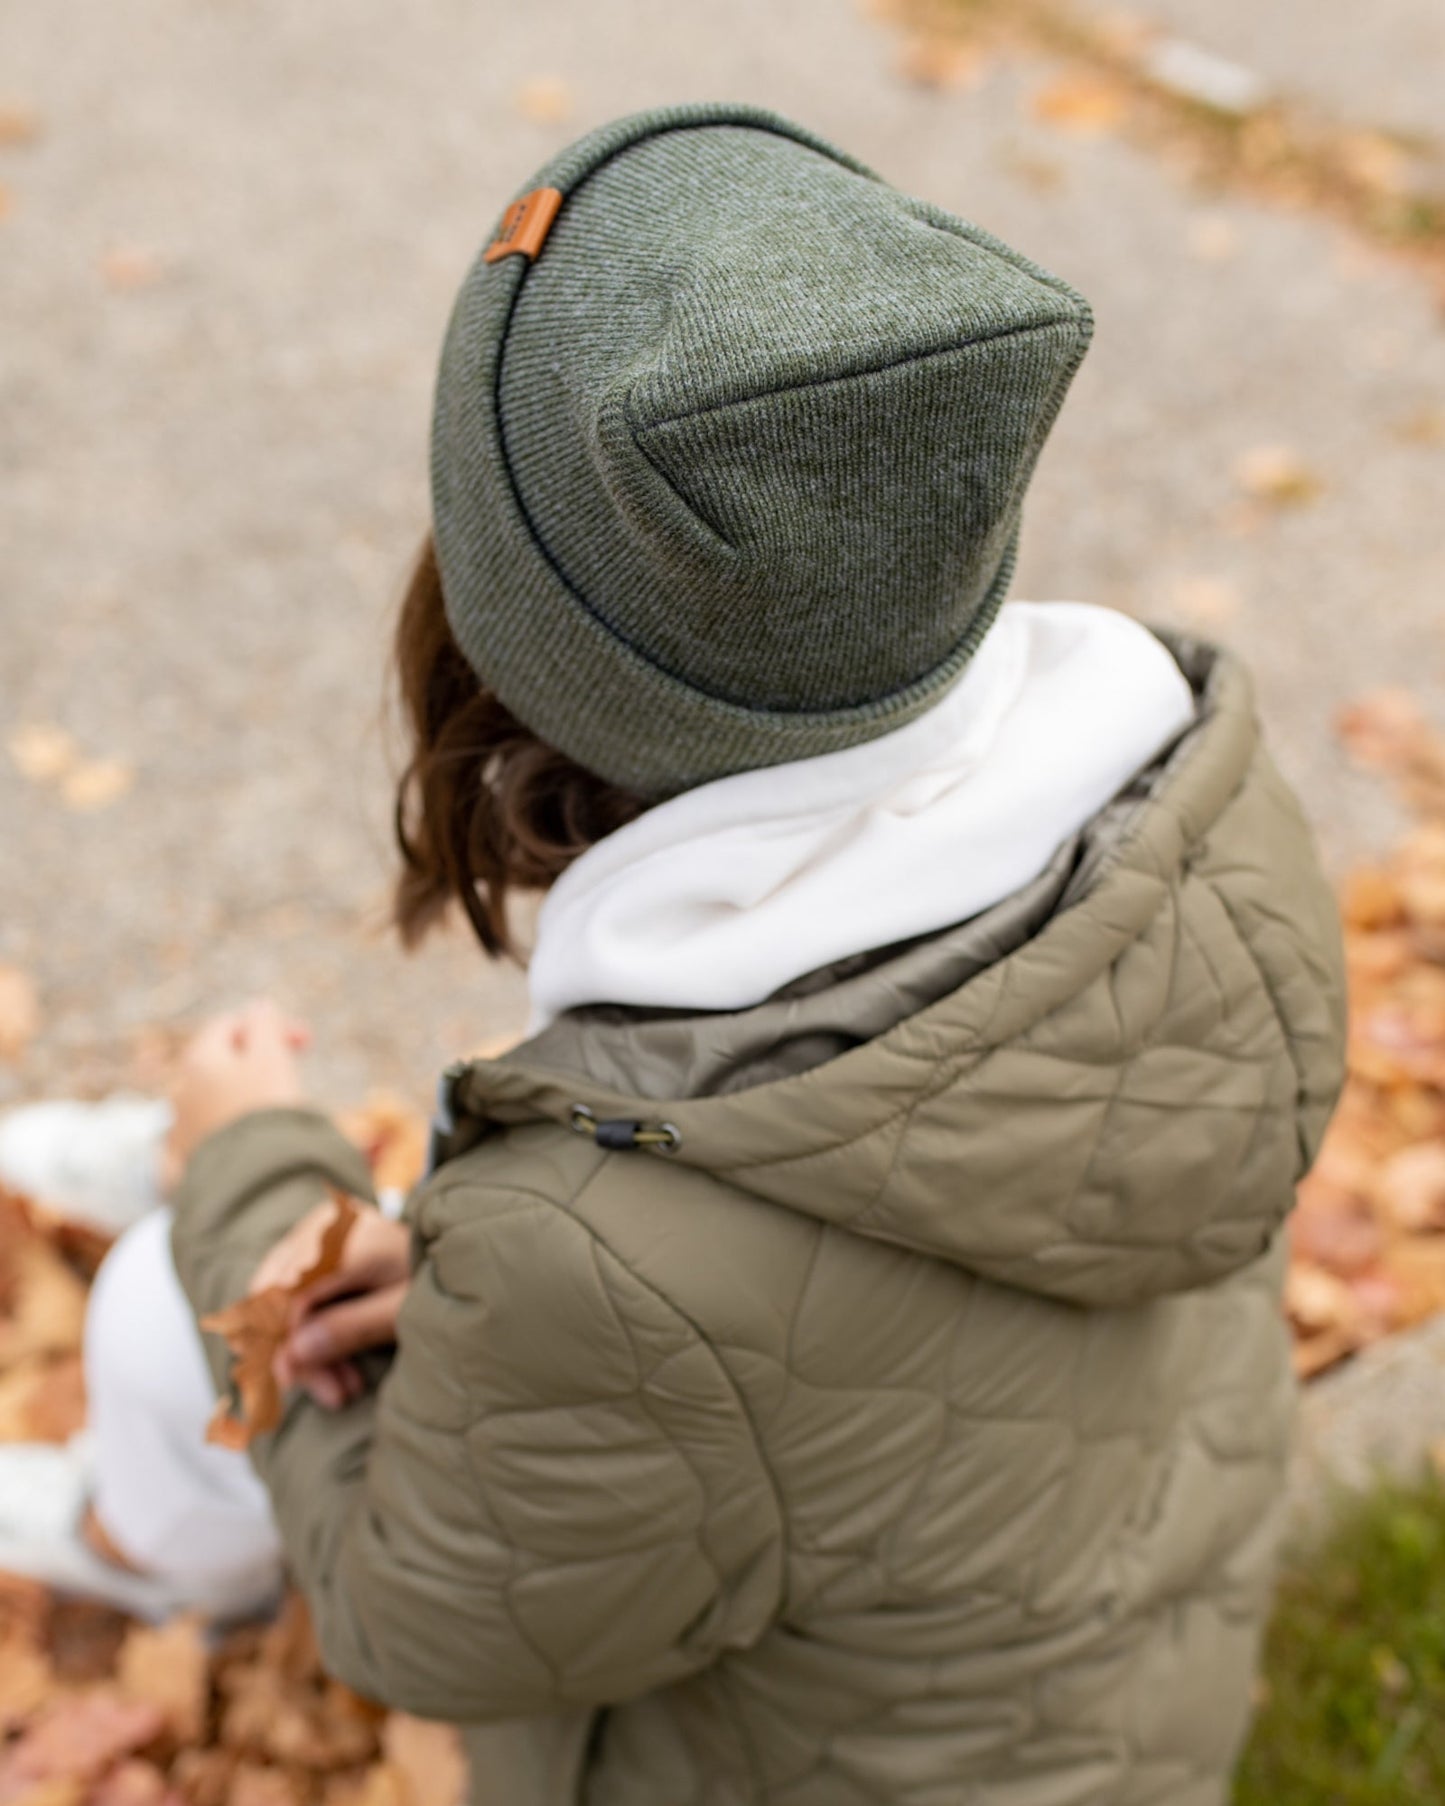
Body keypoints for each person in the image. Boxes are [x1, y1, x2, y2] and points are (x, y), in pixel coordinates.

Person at [0, 103, 1347, 1805]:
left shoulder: (609, 1254)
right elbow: (831, 1336)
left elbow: (414, 1616)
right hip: (1097, 1705)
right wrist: (548, 1307)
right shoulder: (1187, 811)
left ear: (514, 651)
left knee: (154, 1300)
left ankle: (143, 1517)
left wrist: (250, 1177)